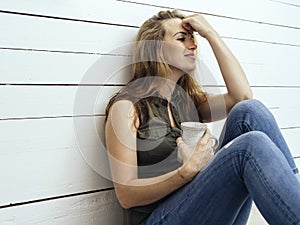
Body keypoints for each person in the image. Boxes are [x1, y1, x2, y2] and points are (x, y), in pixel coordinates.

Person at [105, 10, 300, 225]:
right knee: (249, 146)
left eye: (193, 38)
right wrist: (185, 173)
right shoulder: (127, 107)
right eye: (181, 38)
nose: (193, 45)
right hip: (156, 219)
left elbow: (241, 95)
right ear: (156, 50)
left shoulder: (189, 102)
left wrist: (211, 34)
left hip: (197, 206)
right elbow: (126, 195)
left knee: (249, 111)